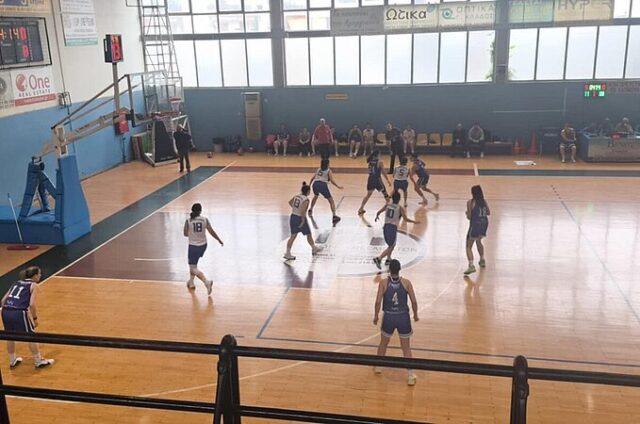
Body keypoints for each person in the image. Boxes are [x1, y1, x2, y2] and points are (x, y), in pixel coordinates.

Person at [373, 259, 419, 386]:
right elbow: (414, 301)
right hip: (403, 317)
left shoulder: (383, 283)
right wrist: (415, 314)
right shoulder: (406, 283)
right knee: (406, 347)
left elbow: (377, 302)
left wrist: (376, 316)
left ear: (389, 270)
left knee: (383, 343)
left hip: (389, 316)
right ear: (400, 269)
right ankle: (410, 375)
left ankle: (378, 366)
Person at [1, 266, 54, 369]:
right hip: (18, 312)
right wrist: (35, 318)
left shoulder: (16, 283)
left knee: (9, 336)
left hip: (5, 310)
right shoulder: (33, 285)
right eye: (39, 273)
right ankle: (38, 361)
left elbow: (3, 301)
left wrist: (8, 311)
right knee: (31, 336)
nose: (40, 275)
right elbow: (32, 304)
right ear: (35, 276)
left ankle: (12, 360)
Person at [183, 203, 223, 295]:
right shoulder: (205, 219)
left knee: (193, 268)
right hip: (203, 245)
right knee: (193, 265)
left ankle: (206, 282)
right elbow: (211, 231)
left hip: (193, 246)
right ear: (200, 211)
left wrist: (192, 233)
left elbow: (185, 234)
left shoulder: (188, 221)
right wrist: (219, 240)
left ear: (192, 210)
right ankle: (191, 282)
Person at [373, 191, 418, 269]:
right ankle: (379, 258)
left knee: (391, 244)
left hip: (386, 226)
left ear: (392, 198)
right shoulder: (399, 208)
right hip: (392, 228)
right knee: (392, 246)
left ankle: (388, 259)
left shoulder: (387, 205)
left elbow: (378, 212)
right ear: (399, 199)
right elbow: (406, 219)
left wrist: (377, 216)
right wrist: (414, 222)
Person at [284, 182, 322, 260]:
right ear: (308, 191)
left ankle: (287, 253)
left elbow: (290, 202)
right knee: (308, 234)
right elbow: (302, 211)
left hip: (293, 216)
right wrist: (302, 221)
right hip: (299, 218)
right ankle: (313, 248)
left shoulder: (297, 196)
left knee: (293, 236)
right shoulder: (306, 200)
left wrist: (295, 209)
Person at [464, 185, 490, 275]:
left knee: (468, 246)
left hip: (475, 225)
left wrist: (467, 213)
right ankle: (482, 259)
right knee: (478, 241)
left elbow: (469, 217)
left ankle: (471, 265)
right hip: (484, 224)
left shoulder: (470, 202)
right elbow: (488, 212)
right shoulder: (484, 201)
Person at [309, 159, 343, 224]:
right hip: (322, 185)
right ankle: (334, 216)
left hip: (315, 184)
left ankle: (310, 209)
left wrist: (309, 185)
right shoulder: (329, 171)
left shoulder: (318, 169)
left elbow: (312, 178)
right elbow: (332, 181)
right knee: (331, 201)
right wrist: (338, 186)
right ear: (327, 164)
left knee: (315, 196)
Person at [358, 150, 391, 215]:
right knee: (385, 194)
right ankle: (390, 208)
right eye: (379, 154)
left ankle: (361, 208)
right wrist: (388, 180)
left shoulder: (370, 161)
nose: (380, 155)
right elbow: (383, 172)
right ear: (377, 155)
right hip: (377, 180)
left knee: (368, 195)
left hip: (370, 179)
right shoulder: (380, 162)